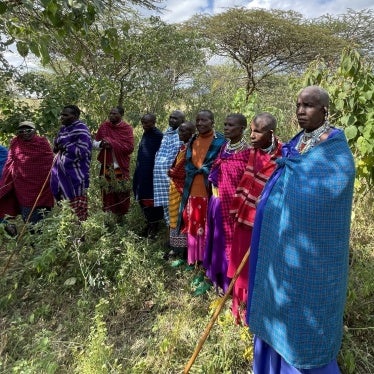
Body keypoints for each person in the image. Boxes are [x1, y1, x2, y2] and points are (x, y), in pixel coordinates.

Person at [247, 86, 355, 373]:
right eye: (298, 105)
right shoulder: (299, 141)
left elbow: (327, 191)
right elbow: (286, 170)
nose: (300, 111)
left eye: (308, 105)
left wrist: (292, 187)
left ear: (324, 110)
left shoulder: (334, 147)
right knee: (276, 298)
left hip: (311, 253)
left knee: (304, 304)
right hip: (280, 244)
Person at [228, 112, 282, 324]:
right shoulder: (251, 153)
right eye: (250, 130)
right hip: (242, 217)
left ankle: (255, 314)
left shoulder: (282, 156)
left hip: (264, 223)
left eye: (257, 131)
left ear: (270, 133)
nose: (251, 135)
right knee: (239, 267)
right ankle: (239, 312)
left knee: (256, 268)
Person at [203, 113, 251, 293]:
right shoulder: (225, 147)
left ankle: (227, 283)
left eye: (231, 125)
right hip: (216, 202)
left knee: (226, 244)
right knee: (215, 241)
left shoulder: (247, 152)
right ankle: (214, 276)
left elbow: (246, 182)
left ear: (242, 128)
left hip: (232, 207)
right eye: (225, 124)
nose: (226, 128)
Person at [178, 110, 225, 267]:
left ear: (212, 122)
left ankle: (205, 264)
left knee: (206, 228)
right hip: (191, 190)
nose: (199, 123)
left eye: (204, 120)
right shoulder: (193, 140)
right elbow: (188, 163)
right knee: (191, 224)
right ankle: (193, 261)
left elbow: (220, 166)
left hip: (210, 191)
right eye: (197, 120)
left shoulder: (220, 142)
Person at [0, 121, 54, 231]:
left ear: (34, 131)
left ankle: (40, 241)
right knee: (29, 220)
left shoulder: (42, 143)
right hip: (23, 190)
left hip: (42, 188)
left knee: (42, 218)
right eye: (21, 131)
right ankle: (34, 241)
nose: (25, 133)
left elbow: (50, 163)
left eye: (28, 130)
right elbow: (10, 163)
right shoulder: (15, 143)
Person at [51, 105, 92, 221]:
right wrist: (58, 146)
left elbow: (83, 150)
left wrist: (65, 146)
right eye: (61, 114)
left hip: (76, 174)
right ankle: (68, 230)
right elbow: (57, 146)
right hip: (61, 173)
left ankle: (80, 234)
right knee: (64, 205)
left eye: (65, 115)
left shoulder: (81, 129)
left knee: (77, 205)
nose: (62, 117)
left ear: (75, 116)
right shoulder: (63, 129)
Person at [94, 106, 134, 221]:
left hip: (119, 166)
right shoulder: (104, 126)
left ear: (121, 115)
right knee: (107, 191)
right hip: (107, 164)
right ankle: (108, 216)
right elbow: (94, 143)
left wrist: (112, 143)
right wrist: (102, 144)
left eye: (115, 114)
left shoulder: (126, 128)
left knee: (121, 191)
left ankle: (122, 216)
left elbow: (130, 148)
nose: (111, 115)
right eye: (110, 113)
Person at [167, 121, 196, 260]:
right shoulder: (183, 147)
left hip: (182, 189)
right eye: (180, 131)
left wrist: (171, 172)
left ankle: (181, 252)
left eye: (184, 131)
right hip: (175, 188)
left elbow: (181, 171)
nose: (180, 133)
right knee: (173, 217)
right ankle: (175, 248)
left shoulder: (191, 149)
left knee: (181, 218)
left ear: (191, 133)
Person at [133, 113, 164, 237]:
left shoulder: (158, 136)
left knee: (151, 200)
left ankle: (154, 228)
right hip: (141, 172)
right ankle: (149, 224)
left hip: (152, 174)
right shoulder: (146, 134)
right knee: (142, 197)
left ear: (154, 122)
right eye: (143, 123)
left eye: (147, 122)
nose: (144, 125)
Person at [153, 110, 185, 226]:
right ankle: (170, 232)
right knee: (166, 206)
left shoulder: (182, 135)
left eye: (175, 118)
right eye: (170, 117)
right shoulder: (167, 133)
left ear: (182, 121)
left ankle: (177, 237)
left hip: (173, 177)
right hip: (161, 178)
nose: (172, 120)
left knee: (175, 205)